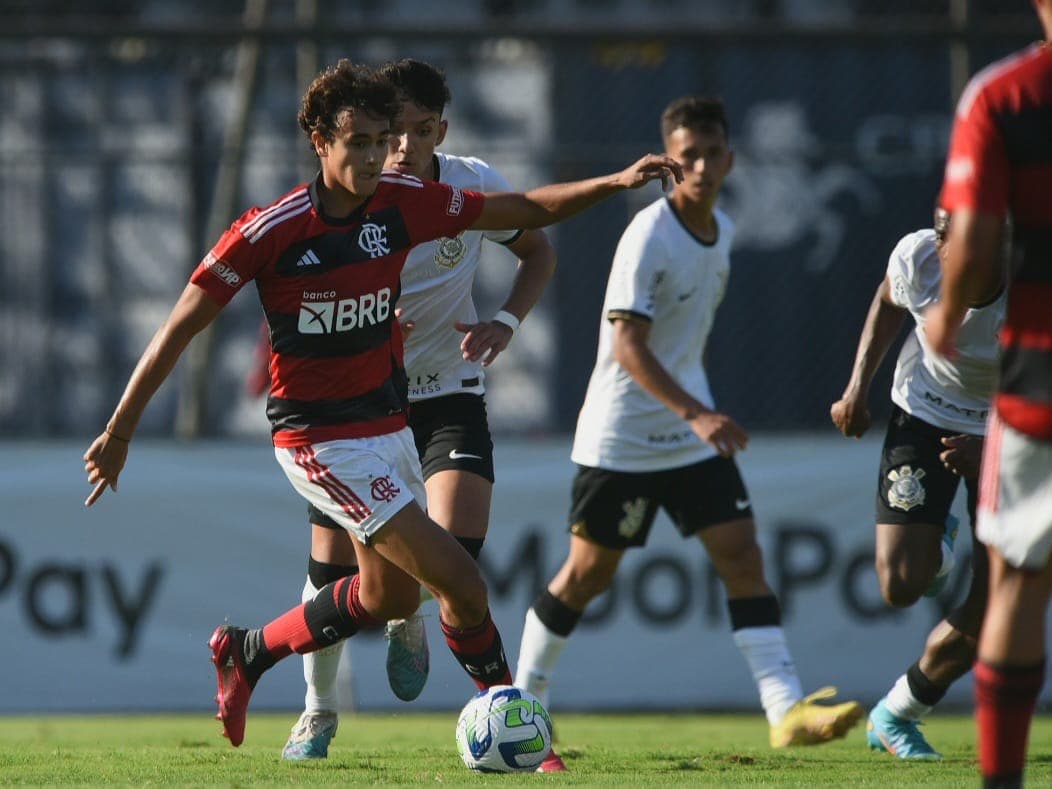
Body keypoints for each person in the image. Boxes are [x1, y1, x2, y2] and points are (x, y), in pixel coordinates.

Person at [82, 59, 682, 749]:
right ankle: (526, 737)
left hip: (388, 423)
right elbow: (181, 325)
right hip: (319, 439)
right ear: (320, 142)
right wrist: (120, 430)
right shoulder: (269, 229)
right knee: (461, 579)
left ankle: (247, 650)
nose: (374, 157)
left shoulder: (403, 202)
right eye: (360, 142)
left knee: (392, 599)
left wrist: (614, 182)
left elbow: (525, 213)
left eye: (380, 140)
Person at [513, 95, 863, 773]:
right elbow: (626, 345)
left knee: (741, 554)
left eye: (711, 153)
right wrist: (696, 413)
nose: (700, 166)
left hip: (686, 432)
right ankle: (524, 705)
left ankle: (784, 709)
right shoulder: (649, 235)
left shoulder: (723, 229)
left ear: (731, 160)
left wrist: (695, 415)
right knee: (587, 573)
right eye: (687, 156)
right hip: (622, 435)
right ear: (669, 163)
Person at [275, 58, 558, 760]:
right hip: (363, 405)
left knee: (455, 557)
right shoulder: (358, 198)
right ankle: (317, 709)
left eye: (420, 132)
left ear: (442, 130)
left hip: (448, 391)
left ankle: (418, 624)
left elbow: (538, 250)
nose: (402, 148)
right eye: (391, 133)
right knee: (331, 573)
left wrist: (508, 322)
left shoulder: (471, 185)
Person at [925, 4, 1052, 785]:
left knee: (1016, 579)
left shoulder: (1004, 96)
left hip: (1041, 372)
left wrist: (945, 311)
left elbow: (970, 251)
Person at [830, 206, 1004, 760]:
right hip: (923, 410)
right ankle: (938, 540)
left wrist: (995, 449)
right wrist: (858, 387)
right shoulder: (917, 257)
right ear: (941, 246)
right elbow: (887, 299)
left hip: (1011, 429)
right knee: (902, 584)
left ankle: (897, 715)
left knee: (995, 611)